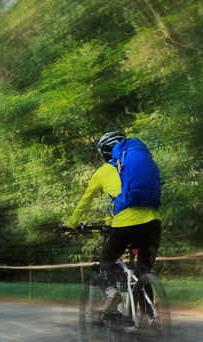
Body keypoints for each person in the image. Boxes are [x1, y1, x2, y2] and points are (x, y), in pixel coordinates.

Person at [63, 130, 162, 313]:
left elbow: (85, 201)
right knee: (143, 273)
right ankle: (150, 319)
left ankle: (111, 292)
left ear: (104, 153)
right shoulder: (138, 165)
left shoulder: (102, 172)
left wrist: (72, 224)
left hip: (124, 224)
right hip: (153, 223)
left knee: (107, 259)